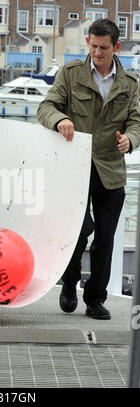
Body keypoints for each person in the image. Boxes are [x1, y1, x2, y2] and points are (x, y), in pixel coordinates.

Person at [37, 18, 140, 320]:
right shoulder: (70, 75)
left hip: (110, 171)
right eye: (93, 46)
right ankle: (69, 283)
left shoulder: (130, 84)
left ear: (116, 47)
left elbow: (136, 122)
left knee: (105, 240)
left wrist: (130, 140)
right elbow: (45, 107)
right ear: (88, 43)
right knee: (78, 233)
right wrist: (59, 119)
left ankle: (95, 299)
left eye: (103, 48)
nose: (97, 52)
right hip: (74, 169)